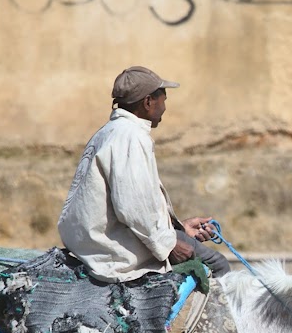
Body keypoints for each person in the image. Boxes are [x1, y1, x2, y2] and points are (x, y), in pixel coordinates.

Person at [57, 65, 231, 282]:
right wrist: (170, 245)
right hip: (110, 249)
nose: (165, 108)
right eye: (163, 100)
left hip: (92, 241)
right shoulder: (131, 137)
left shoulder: (109, 132)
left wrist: (179, 228)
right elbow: (132, 207)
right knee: (218, 266)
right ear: (148, 102)